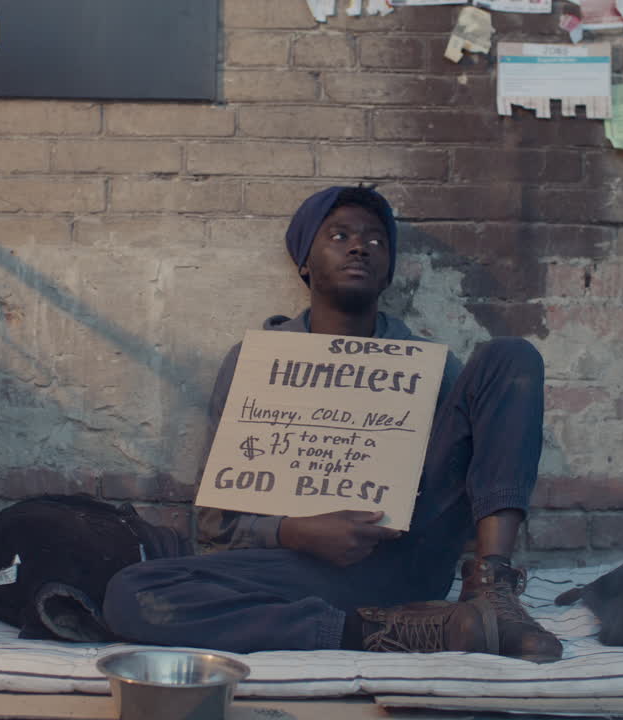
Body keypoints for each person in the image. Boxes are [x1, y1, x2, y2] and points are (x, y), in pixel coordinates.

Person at [103, 186, 562, 660]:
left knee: (511, 356)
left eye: (376, 241)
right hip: (290, 568)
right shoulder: (256, 363)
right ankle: (382, 632)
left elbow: (460, 480)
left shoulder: (428, 366)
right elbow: (217, 523)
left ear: (388, 272)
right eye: (339, 235)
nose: (359, 247)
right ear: (304, 261)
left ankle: (493, 592)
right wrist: (294, 531)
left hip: (404, 563)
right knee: (132, 594)